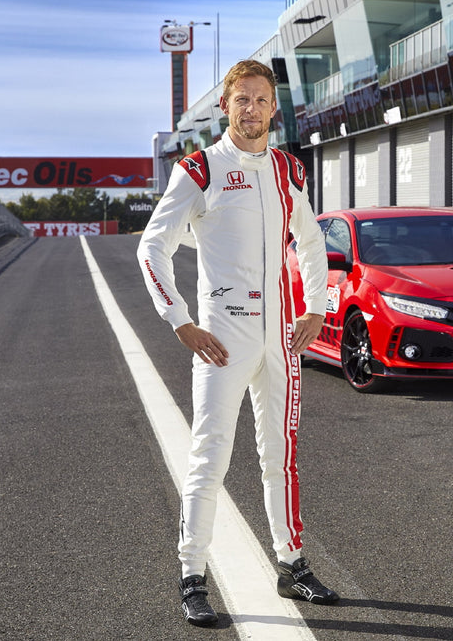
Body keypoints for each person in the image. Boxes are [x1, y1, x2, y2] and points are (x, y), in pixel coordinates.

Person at [136, 59, 339, 628]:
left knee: (282, 454)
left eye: (260, 99)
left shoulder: (289, 171)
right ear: (225, 107)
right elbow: (152, 248)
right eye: (240, 100)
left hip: (281, 339)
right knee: (210, 456)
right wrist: (181, 322)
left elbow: (312, 241)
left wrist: (316, 309)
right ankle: (192, 575)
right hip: (222, 338)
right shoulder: (200, 169)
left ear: (275, 108)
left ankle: (292, 563)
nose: (250, 109)